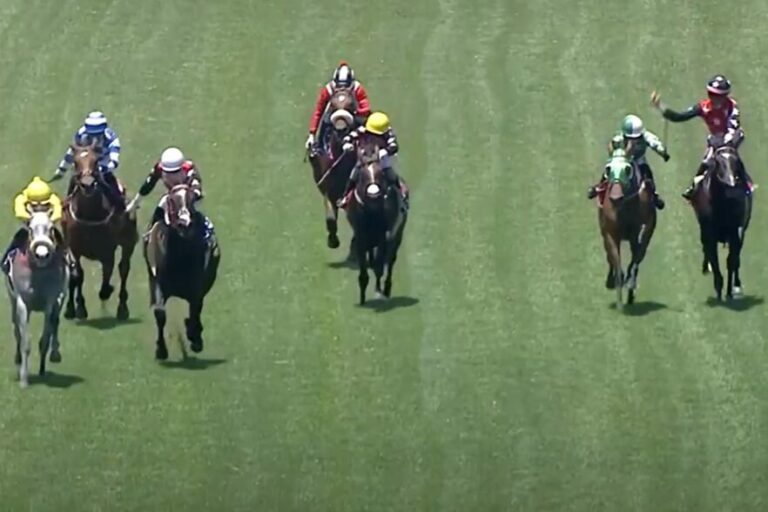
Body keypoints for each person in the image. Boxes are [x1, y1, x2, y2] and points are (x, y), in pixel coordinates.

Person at [651, 74, 752, 199]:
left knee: (732, 158)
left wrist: (727, 139)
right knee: (706, 162)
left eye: (719, 96)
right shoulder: (703, 107)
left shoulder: (731, 105)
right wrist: (661, 108)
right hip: (715, 140)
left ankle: (746, 184)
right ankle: (694, 187)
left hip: (731, 137)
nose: (715, 99)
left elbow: (734, 124)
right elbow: (680, 116)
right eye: (712, 95)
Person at [125, 147, 215, 247]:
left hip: (190, 196)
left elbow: (196, 188)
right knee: (160, 208)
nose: (171, 177)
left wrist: (185, 208)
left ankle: (208, 234)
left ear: (182, 168)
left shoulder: (190, 169)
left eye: (176, 172)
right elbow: (148, 185)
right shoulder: (159, 168)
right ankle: (150, 234)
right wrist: (135, 203)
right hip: (171, 196)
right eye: (168, 173)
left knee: (197, 214)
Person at [587, 114, 669, 209]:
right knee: (609, 171)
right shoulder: (619, 138)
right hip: (622, 160)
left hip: (639, 160)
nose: (633, 140)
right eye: (630, 138)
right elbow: (611, 147)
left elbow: (654, 143)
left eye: (636, 138)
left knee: (647, 173)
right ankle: (599, 187)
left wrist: (662, 152)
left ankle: (654, 195)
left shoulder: (645, 136)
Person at [51, 111, 125, 211]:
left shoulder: (111, 138)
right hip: (83, 168)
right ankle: (66, 206)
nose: (94, 137)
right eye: (92, 134)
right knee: (72, 187)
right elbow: (72, 152)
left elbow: (114, 161)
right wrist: (61, 171)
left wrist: (102, 168)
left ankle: (121, 211)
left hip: (103, 168)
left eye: (97, 134)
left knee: (118, 199)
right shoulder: (81, 134)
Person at [337, 111, 409, 210]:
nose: (373, 135)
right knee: (353, 175)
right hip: (364, 159)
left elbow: (394, 146)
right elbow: (349, 137)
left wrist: (385, 151)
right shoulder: (363, 129)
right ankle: (345, 197)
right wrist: (346, 144)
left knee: (391, 175)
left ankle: (403, 196)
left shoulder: (388, 133)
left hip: (382, 161)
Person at [305, 61, 371, 154]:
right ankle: (321, 148)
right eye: (339, 86)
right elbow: (319, 111)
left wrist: (357, 113)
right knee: (324, 126)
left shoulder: (357, 88)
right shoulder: (328, 89)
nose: (342, 89)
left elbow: (366, 108)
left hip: (352, 116)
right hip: (332, 116)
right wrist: (312, 134)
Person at [2, 177, 63, 273]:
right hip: (27, 228)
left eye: (44, 205)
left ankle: (70, 262)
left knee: (61, 241)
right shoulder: (21, 199)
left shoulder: (54, 199)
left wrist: (51, 220)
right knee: (17, 239)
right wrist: (29, 219)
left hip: (48, 228)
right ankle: (6, 261)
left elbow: (58, 212)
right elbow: (19, 212)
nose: (39, 207)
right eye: (35, 206)